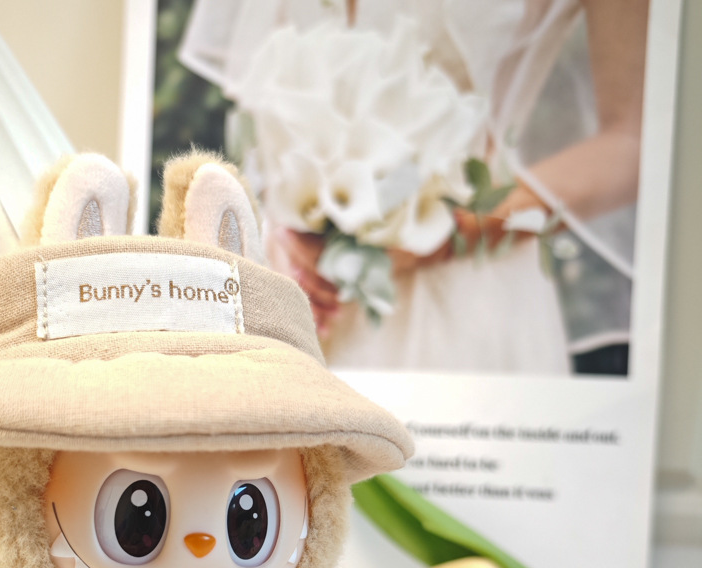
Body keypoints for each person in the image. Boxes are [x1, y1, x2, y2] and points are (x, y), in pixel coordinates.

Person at [179, 0, 646, 374]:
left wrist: (450, 234)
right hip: (299, 290)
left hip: (466, 297)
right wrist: (289, 229)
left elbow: (634, 140)